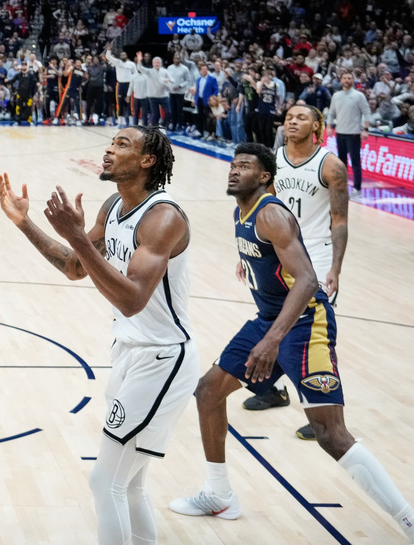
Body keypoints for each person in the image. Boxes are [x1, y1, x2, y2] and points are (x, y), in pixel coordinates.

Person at [169, 143, 414, 545]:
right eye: (233, 165)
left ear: (264, 176)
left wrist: (272, 340)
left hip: (304, 323)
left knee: (330, 433)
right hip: (270, 320)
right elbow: (271, 266)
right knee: (209, 391)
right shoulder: (241, 212)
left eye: (244, 166)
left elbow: (307, 280)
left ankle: (407, 520)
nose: (234, 171)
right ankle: (219, 494)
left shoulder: (271, 214)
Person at [0, 126, 198, 545]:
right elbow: (75, 266)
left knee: (103, 481)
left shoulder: (164, 217)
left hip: (162, 359)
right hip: (130, 352)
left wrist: (75, 235)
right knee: (129, 484)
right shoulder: (113, 206)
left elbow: (132, 299)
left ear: (148, 161)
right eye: (110, 142)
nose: (109, 149)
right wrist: (25, 223)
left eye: (122, 144)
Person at [240, 106, 350, 440]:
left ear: (317, 125)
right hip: (279, 250)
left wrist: (335, 267)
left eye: (301, 117)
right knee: (277, 320)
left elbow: (340, 219)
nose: (292, 120)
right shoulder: (274, 159)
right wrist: (249, 251)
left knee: (314, 335)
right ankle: (275, 390)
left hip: (315, 252)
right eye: (289, 116)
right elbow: (262, 205)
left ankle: (325, 411)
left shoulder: (331, 165)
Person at [325, 70, 371, 198]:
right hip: (340, 132)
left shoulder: (359, 96)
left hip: (354, 134)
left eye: (349, 78)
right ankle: (342, 187)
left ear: (353, 80)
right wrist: (329, 126)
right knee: (341, 162)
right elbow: (331, 112)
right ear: (341, 80)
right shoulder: (336, 96)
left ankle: (357, 189)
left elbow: (367, 113)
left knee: (355, 162)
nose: (347, 80)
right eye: (344, 78)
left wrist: (365, 129)